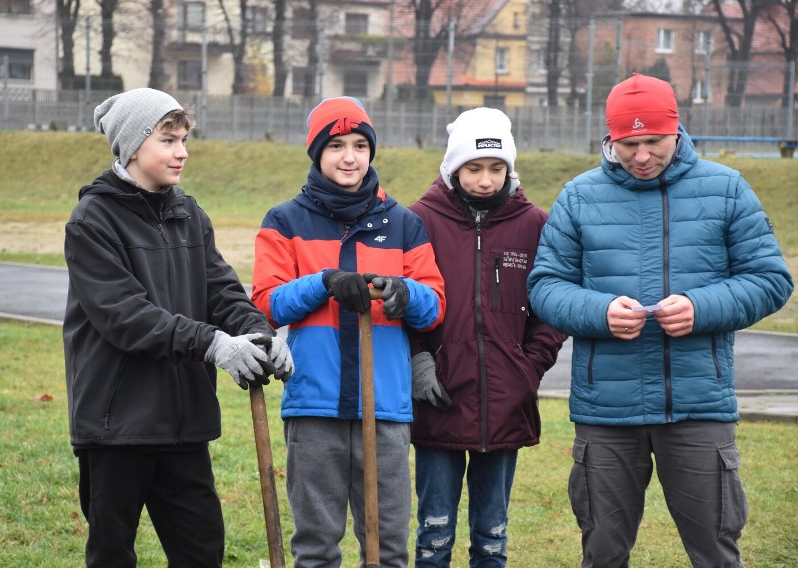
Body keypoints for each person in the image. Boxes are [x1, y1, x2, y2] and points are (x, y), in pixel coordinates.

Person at [526, 73, 794, 568]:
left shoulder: (727, 188)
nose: (642, 156)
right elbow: (545, 287)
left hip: (698, 407)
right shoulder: (578, 197)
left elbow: (770, 279)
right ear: (609, 139)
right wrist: (600, 312)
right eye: (628, 144)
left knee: (715, 551)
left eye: (654, 142)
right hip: (607, 413)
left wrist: (702, 307)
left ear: (678, 131)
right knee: (603, 551)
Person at [63, 87, 293, 567]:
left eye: (184, 138)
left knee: (201, 553)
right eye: (168, 140)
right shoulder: (92, 220)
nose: (182, 151)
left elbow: (222, 292)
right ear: (132, 145)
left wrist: (258, 334)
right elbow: (126, 317)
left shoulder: (190, 214)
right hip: (116, 427)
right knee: (112, 554)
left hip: (184, 424)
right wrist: (213, 344)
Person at [251, 96, 446, 567]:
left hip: (385, 408)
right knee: (316, 547)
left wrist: (404, 293)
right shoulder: (284, 221)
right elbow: (265, 303)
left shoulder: (404, 223)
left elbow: (435, 305)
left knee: (389, 548)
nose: (350, 157)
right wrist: (322, 283)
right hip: (314, 405)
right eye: (336, 145)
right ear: (316, 152)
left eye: (360, 145)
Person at [407, 107, 566, 566]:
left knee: (492, 536)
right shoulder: (418, 220)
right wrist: (419, 360)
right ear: (453, 167)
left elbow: (551, 310)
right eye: (473, 168)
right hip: (439, 401)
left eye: (496, 169)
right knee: (433, 533)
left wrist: (528, 368)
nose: (484, 180)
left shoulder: (535, 224)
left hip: (504, 404)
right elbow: (405, 303)